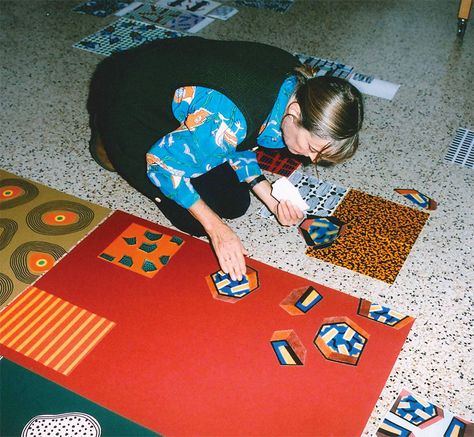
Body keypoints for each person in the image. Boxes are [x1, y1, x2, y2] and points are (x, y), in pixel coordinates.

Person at [87, 36, 364, 281]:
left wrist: (270, 196)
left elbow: (246, 136)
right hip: (130, 100)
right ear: (294, 111)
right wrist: (217, 230)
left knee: (233, 202)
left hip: (171, 71)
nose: (310, 158)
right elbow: (162, 165)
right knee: (195, 221)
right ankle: (108, 140)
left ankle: (187, 138)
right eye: (312, 146)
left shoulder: (297, 86)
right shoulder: (229, 119)